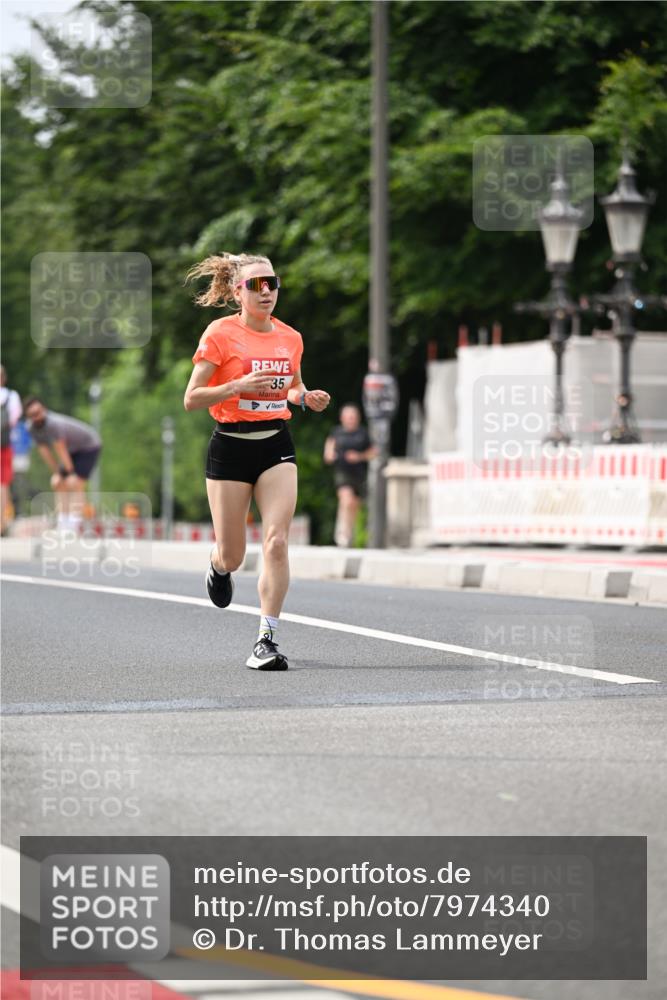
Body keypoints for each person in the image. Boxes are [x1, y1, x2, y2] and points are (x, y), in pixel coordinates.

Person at [184, 252, 330, 671]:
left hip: (275, 445)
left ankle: (266, 639)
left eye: (272, 283)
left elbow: (291, 386)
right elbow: (192, 398)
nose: (266, 292)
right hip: (230, 446)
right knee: (234, 555)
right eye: (255, 285)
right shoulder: (220, 334)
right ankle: (218, 566)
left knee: (277, 542)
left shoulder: (290, 338)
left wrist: (304, 397)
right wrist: (236, 386)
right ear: (237, 292)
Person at [23, 397, 101, 530]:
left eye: (39, 412)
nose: (37, 416)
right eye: (33, 414)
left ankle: (76, 523)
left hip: (88, 446)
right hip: (71, 450)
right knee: (57, 483)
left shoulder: (53, 424)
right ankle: (63, 521)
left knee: (75, 483)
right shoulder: (30, 428)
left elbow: (60, 449)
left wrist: (70, 473)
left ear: (44, 409)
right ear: (28, 416)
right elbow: (45, 451)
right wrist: (57, 472)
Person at [323, 403, 377, 547]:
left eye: (353, 417)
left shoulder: (363, 433)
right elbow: (328, 454)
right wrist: (332, 455)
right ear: (342, 418)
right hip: (342, 472)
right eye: (349, 417)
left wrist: (359, 456)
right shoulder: (336, 433)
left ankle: (349, 533)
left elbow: (373, 452)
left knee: (354, 505)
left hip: (359, 474)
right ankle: (343, 535)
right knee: (346, 500)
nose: (351, 419)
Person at [0, 365, 23, 535]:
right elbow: (15, 419)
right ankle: (2, 523)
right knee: (3, 483)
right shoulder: (12, 396)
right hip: (4, 444)